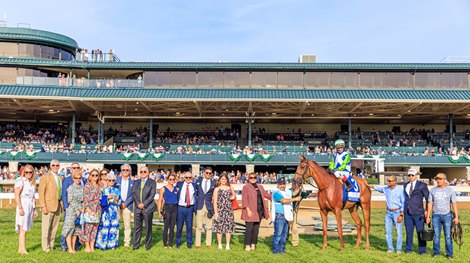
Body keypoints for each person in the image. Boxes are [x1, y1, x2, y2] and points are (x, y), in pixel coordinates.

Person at [426, 173, 459, 259]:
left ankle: (449, 254)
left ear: (445, 179)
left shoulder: (450, 190)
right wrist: (428, 216)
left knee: (448, 236)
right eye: (437, 179)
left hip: (447, 216)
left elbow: (454, 204)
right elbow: (430, 203)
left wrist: (456, 217)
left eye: (440, 179)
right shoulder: (432, 190)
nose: (438, 180)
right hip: (436, 216)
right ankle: (436, 252)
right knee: (436, 235)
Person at [371, 175, 405, 253]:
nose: (388, 182)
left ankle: (398, 249)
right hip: (388, 213)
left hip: (397, 212)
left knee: (398, 232)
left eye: (389, 181)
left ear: (394, 182)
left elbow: (403, 203)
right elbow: (378, 188)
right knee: (387, 231)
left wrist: (401, 215)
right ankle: (390, 248)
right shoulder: (386, 189)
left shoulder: (400, 191)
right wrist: (368, 185)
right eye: (387, 180)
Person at [241, 172, 272, 251]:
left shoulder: (260, 187)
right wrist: (248, 210)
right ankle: (247, 244)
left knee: (256, 229)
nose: (253, 179)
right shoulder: (246, 187)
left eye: (254, 177)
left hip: (259, 211)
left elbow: (266, 195)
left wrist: (278, 197)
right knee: (249, 228)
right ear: (248, 178)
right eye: (251, 177)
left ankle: (253, 244)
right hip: (250, 210)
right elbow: (244, 199)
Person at [38, 159, 63, 252]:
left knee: (54, 228)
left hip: (58, 206)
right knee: (46, 228)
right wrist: (43, 206)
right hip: (48, 206)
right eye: (53, 165)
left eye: (57, 165)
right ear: (50, 166)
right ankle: (45, 247)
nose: (55, 167)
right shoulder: (46, 176)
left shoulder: (60, 177)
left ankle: (51, 245)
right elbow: (41, 192)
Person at [271, 177, 301, 254]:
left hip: (286, 217)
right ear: (277, 185)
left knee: (284, 236)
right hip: (279, 217)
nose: (282, 185)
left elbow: (295, 192)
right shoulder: (276, 193)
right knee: (278, 235)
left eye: (283, 184)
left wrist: (298, 184)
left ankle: (282, 249)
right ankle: (275, 250)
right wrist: (295, 199)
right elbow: (284, 201)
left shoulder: (287, 191)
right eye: (280, 184)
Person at [403, 168, 429, 254]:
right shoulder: (405, 185)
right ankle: (408, 249)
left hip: (418, 212)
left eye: (412, 175)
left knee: (420, 232)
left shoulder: (422, 185)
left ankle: (422, 250)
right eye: (409, 175)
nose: (410, 177)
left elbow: (428, 198)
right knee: (409, 232)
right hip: (407, 212)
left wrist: (426, 211)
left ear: (416, 176)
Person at [14, 164, 38, 254]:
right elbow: (16, 195)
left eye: (30, 172)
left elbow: (33, 197)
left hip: (30, 206)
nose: (28, 173)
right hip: (23, 204)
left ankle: (20, 249)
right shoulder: (20, 181)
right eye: (27, 172)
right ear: (24, 172)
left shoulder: (31, 183)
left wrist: (34, 209)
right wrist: (20, 207)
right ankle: (23, 249)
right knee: (22, 228)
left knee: (25, 228)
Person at [132, 166, 157, 250]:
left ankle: (147, 245)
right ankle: (136, 245)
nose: (143, 173)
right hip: (138, 208)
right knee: (137, 227)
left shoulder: (152, 182)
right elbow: (134, 194)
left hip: (148, 208)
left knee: (148, 228)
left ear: (148, 173)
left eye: (144, 172)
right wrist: (138, 204)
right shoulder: (136, 182)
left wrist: (144, 204)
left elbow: (152, 195)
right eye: (141, 172)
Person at [60, 162, 82, 251]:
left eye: (79, 178)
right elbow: (68, 199)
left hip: (80, 211)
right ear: (73, 178)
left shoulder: (82, 188)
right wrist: (74, 209)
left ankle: (73, 247)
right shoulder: (70, 187)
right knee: (69, 230)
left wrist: (81, 209)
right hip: (71, 210)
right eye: (76, 178)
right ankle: (68, 248)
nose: (78, 179)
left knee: (76, 231)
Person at [96, 173, 121, 250]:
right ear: (106, 181)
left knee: (113, 227)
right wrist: (107, 197)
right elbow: (99, 200)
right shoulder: (102, 190)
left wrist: (119, 214)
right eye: (109, 180)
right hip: (105, 211)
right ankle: (103, 244)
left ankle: (112, 244)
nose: (111, 182)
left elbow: (119, 203)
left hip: (114, 211)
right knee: (105, 227)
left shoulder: (117, 190)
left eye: (113, 180)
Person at [80, 169, 102, 253]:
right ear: (90, 176)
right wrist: (88, 209)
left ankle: (92, 246)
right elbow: (85, 198)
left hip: (97, 209)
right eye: (93, 175)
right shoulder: (87, 186)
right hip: (90, 208)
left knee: (94, 228)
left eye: (96, 175)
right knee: (88, 229)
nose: (95, 177)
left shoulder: (99, 185)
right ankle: (87, 246)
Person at [212, 174, 236, 250]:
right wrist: (216, 213)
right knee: (219, 227)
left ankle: (227, 244)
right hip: (220, 210)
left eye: (225, 179)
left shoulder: (230, 187)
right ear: (219, 180)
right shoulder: (217, 189)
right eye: (222, 179)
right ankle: (219, 244)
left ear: (227, 180)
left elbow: (234, 196)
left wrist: (230, 198)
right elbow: (215, 201)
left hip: (228, 210)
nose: (223, 181)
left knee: (228, 227)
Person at [176, 172, 198, 248]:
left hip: (190, 208)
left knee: (189, 227)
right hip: (180, 208)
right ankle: (178, 243)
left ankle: (189, 243)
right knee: (179, 226)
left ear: (192, 178)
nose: (188, 179)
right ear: (184, 178)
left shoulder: (194, 185)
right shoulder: (179, 184)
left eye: (190, 177)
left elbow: (197, 196)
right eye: (186, 177)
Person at [195, 167, 216, 249]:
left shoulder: (213, 183)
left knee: (209, 226)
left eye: (210, 173)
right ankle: (198, 244)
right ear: (204, 173)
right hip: (200, 205)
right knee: (199, 226)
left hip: (209, 206)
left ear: (212, 174)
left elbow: (214, 195)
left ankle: (208, 243)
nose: (208, 174)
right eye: (207, 173)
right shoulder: (198, 181)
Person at [114, 164, 134, 247]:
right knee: (115, 224)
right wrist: (119, 202)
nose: (125, 171)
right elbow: (114, 192)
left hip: (127, 205)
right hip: (117, 205)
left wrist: (125, 203)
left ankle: (127, 242)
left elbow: (133, 194)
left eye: (127, 170)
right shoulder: (116, 181)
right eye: (123, 170)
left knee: (127, 225)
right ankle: (114, 241)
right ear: (121, 171)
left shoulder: (133, 181)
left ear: (130, 171)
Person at [158, 174, 178, 248]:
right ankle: (165, 244)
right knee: (166, 227)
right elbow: (160, 200)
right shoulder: (163, 188)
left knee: (172, 227)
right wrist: (159, 211)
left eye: (173, 179)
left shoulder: (176, 189)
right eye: (170, 179)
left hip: (175, 209)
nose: (172, 181)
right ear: (167, 179)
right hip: (167, 208)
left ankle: (170, 244)